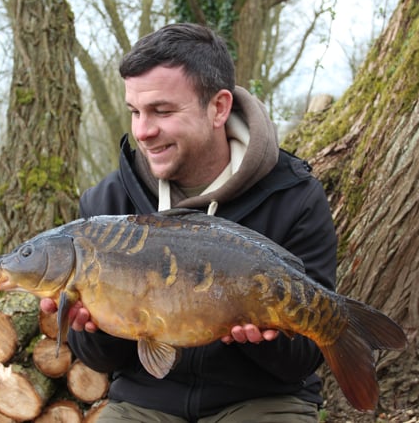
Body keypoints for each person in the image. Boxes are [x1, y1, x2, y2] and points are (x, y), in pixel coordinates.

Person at [41, 22, 337, 422]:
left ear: (218, 108)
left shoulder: (294, 196)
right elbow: (100, 361)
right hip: (145, 400)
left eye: (162, 111)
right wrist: (93, 327)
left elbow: (301, 361)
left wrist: (257, 333)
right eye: (135, 112)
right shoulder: (108, 203)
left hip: (264, 398)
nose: (143, 132)